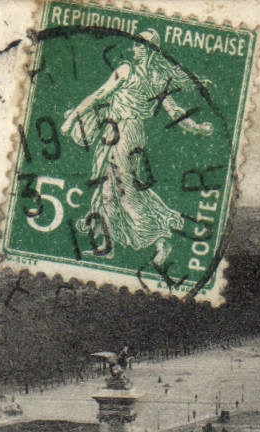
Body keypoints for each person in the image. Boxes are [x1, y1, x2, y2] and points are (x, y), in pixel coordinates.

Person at [59, 28, 212, 270]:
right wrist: (73, 118)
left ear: (152, 49)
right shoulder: (137, 73)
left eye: (141, 45)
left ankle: (160, 238)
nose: (135, 48)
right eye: (135, 44)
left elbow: (174, 111)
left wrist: (197, 128)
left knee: (123, 190)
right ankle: (108, 246)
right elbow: (99, 95)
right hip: (114, 132)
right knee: (109, 188)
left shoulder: (148, 76)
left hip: (126, 134)